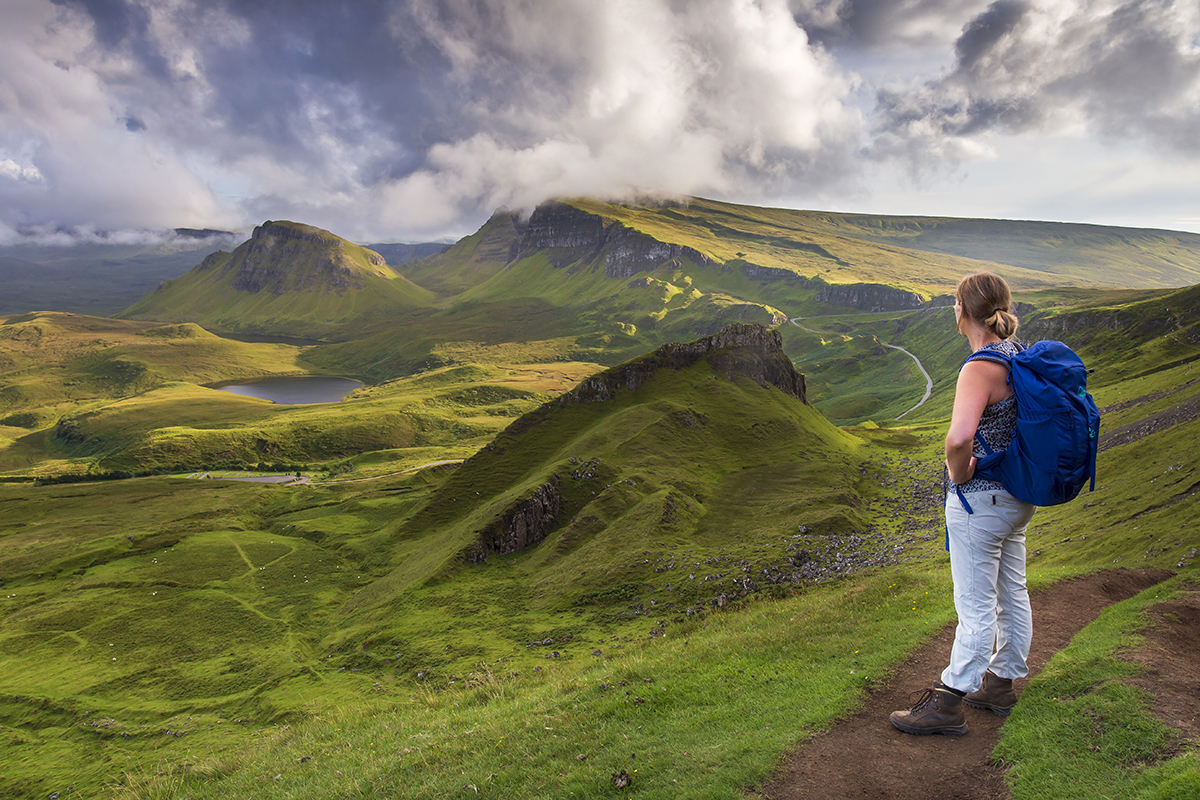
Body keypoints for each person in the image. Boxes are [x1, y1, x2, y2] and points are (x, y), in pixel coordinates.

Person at [890, 271, 1037, 736]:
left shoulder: (979, 366)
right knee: (1012, 592)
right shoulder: (1017, 355)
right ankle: (999, 684)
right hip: (1017, 498)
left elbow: (959, 439)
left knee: (975, 604)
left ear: (963, 311)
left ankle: (949, 702)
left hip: (981, 500)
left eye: (954, 303)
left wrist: (959, 475)